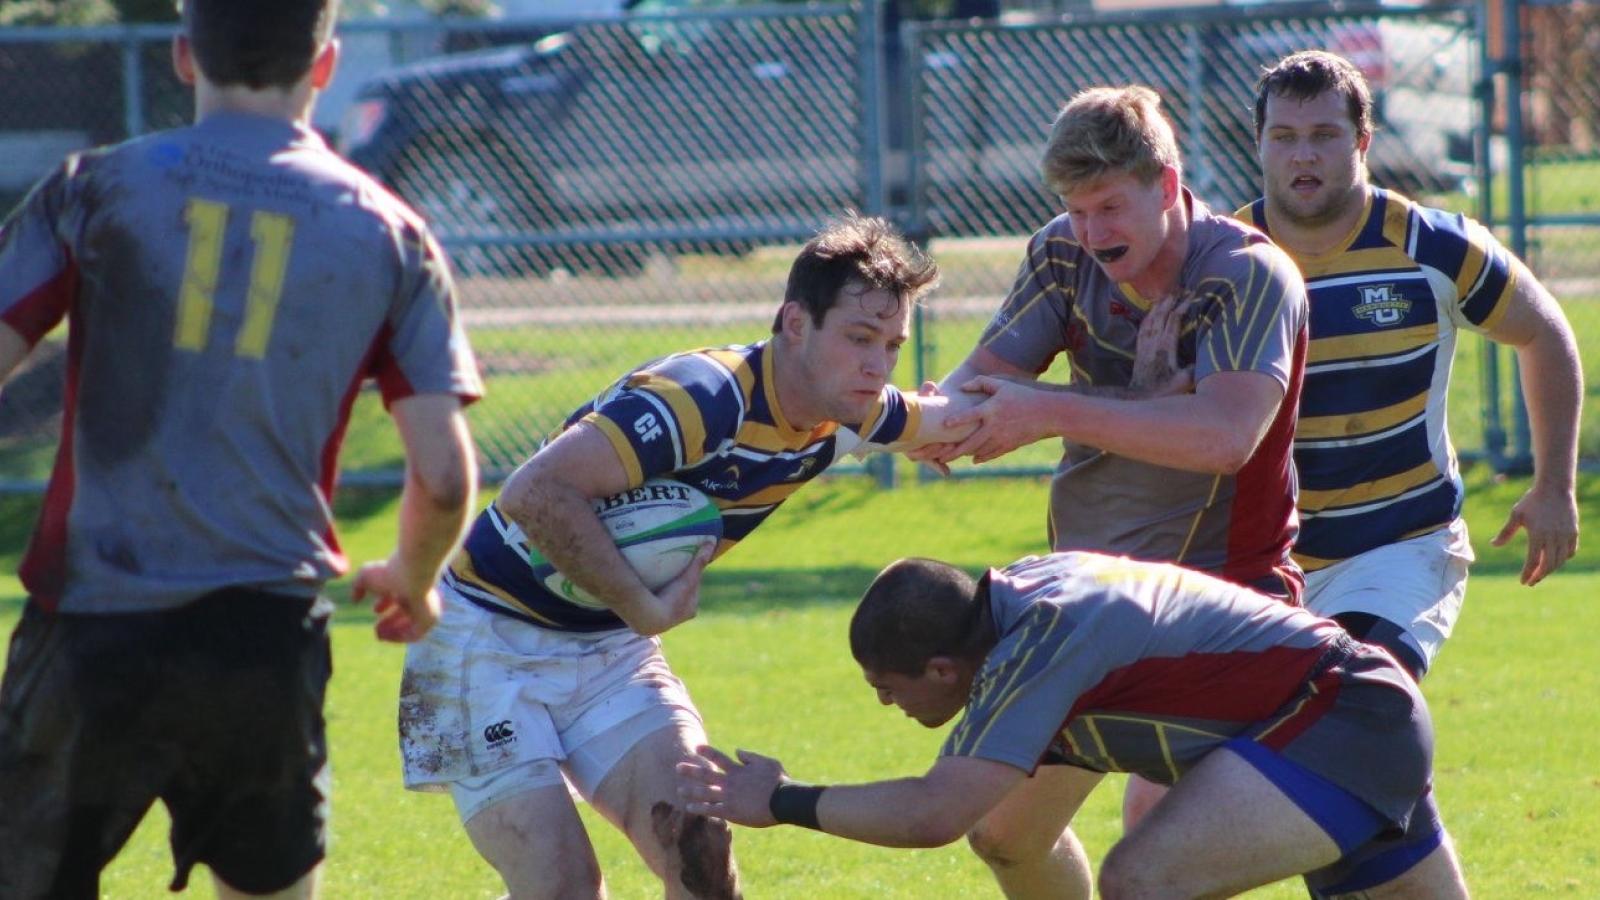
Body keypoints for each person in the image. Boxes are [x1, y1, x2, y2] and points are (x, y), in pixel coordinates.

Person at [0, 1, 483, 897]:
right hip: (261, 632)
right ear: (325, 65)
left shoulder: (93, 187)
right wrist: (413, 579)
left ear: (184, 56)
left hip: (92, 619)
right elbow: (447, 476)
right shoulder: (390, 232)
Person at [399, 213, 978, 899]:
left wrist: (1034, 407)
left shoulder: (852, 411)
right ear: (796, 324)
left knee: (700, 846)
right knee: (562, 884)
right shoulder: (699, 399)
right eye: (859, 338)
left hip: (608, 648)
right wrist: (641, 605)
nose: (878, 365)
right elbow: (534, 492)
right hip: (483, 642)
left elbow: (957, 415)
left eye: (892, 344)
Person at [911, 84, 1310, 893]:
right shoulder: (1062, 254)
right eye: (1075, 210)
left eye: (1109, 208)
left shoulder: (1245, 273)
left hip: (1219, 610)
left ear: (1167, 187)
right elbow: (976, 391)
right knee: (1002, 833)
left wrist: (1050, 409)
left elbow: (1223, 437)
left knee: (1156, 852)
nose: (1091, 233)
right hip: (1090, 611)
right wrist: (887, 413)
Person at [677, 553, 1471, 899]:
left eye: (887, 689)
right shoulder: (1010, 614)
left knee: (1140, 882)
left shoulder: (1038, 646)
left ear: (943, 670)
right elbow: (975, 817)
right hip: (1330, 716)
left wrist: (780, 799)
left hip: (1345, 715)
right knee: (1007, 834)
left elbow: (930, 814)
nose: (886, 705)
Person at [1242, 50, 1583, 678]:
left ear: (1363, 141)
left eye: (1325, 135)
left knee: (1356, 689)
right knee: (1227, 732)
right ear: (1258, 143)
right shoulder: (1225, 261)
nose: (1303, 155)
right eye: (1284, 137)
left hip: (1399, 547)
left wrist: (1555, 488)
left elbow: (1544, 332)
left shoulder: (1434, 245)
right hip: (1261, 560)